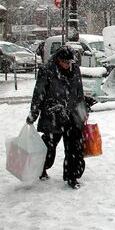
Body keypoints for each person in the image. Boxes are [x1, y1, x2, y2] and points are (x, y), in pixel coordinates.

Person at [26, 45, 89, 189]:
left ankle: (72, 176)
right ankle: (41, 167)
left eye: (70, 62)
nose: (68, 65)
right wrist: (33, 113)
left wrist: (83, 112)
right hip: (53, 114)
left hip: (72, 114)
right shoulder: (47, 71)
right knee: (49, 146)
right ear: (59, 60)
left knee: (75, 147)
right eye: (66, 62)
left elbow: (79, 92)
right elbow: (39, 94)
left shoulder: (75, 70)